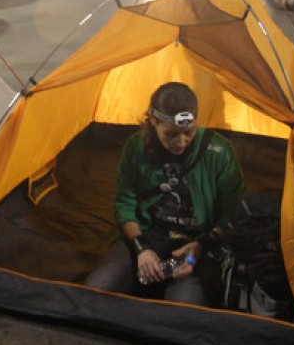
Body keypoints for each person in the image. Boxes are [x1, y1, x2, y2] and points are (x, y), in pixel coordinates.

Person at [84, 82, 246, 306]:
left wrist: (201, 247)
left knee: (181, 314)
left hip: (197, 243)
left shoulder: (219, 152)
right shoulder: (137, 146)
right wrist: (141, 248)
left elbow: (234, 212)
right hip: (150, 234)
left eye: (188, 132)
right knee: (93, 292)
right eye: (171, 134)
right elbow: (124, 204)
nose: (181, 142)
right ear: (154, 120)